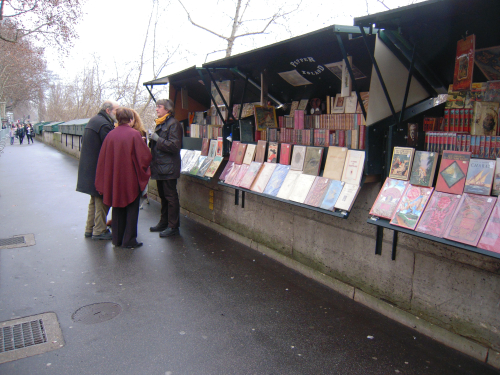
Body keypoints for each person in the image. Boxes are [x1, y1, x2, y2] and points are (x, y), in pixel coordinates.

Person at [95, 108, 152, 248]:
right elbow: (144, 158)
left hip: (115, 178)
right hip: (130, 178)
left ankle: (117, 239)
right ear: (131, 120)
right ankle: (129, 240)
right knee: (132, 209)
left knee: (118, 208)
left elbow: (103, 158)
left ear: (118, 119)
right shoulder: (134, 134)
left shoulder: (110, 135)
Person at [76, 100, 119, 240]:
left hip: (88, 168)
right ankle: (99, 230)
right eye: (116, 110)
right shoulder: (104, 125)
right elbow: (110, 147)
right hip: (97, 169)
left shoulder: (94, 121)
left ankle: (89, 228)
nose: (118, 113)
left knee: (94, 200)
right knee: (102, 199)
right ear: (108, 110)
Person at [149, 99, 183, 237]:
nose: (156, 109)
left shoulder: (173, 124)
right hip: (159, 166)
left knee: (170, 197)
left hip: (168, 167)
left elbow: (175, 146)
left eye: (159, 107)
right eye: (156, 107)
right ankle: (164, 223)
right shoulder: (161, 123)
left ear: (167, 109)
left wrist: (158, 139)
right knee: (163, 196)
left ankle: (173, 226)